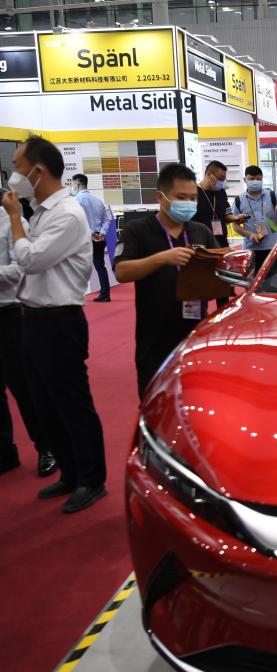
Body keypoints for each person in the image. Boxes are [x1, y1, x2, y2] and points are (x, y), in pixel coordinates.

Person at [2, 136, 107, 512]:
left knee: (72, 402)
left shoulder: (66, 213)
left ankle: (92, 479)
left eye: (17, 167)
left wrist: (15, 220)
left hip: (60, 321)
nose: (14, 175)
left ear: (38, 171)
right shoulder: (43, 211)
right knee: (45, 403)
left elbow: (30, 260)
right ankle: (71, 472)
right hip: (33, 319)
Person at [114, 163, 217, 398]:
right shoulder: (137, 230)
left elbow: (218, 268)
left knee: (195, 402)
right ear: (161, 197)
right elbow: (121, 271)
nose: (188, 203)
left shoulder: (200, 231)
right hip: (154, 340)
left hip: (194, 337)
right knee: (155, 403)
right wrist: (162, 258)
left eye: (193, 198)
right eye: (181, 197)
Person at [1, 206, 56, 477]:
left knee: (23, 387)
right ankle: (5, 453)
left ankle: (47, 447)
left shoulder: (12, 222)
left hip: (9, 312)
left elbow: (21, 268)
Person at [232, 165, 277, 273]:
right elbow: (235, 226)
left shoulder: (271, 194)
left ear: (262, 179)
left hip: (272, 247)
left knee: (273, 277)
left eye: (258, 179)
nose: (255, 181)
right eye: (251, 179)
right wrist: (249, 235)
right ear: (245, 180)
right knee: (253, 279)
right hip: (250, 249)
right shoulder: (239, 200)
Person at [70, 174, 114, 302]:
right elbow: (107, 218)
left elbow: (79, 220)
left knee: (78, 266)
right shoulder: (98, 200)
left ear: (77, 184)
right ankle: (105, 294)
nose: (72, 187)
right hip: (99, 238)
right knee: (100, 265)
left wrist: (91, 233)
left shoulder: (76, 200)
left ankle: (76, 295)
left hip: (84, 238)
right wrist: (102, 232)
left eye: (72, 184)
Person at [194, 160, 247, 247]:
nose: (222, 182)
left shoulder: (221, 192)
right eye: (220, 178)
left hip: (221, 243)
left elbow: (227, 214)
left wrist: (235, 218)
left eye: (224, 179)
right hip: (201, 244)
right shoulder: (193, 192)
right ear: (208, 174)